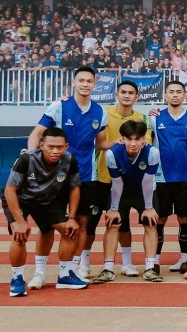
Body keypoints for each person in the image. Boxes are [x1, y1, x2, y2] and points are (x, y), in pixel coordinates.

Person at [27, 66, 109, 281]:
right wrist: (32, 158)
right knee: (47, 227)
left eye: (89, 81)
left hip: (85, 176)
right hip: (54, 177)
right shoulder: (59, 106)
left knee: (81, 224)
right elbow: (37, 133)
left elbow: (100, 143)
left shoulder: (101, 112)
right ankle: (40, 272)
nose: (85, 84)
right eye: (81, 80)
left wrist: (120, 143)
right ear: (73, 82)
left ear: (94, 85)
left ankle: (72, 269)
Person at [4, 127, 87, 296]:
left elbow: (74, 188)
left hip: (47, 200)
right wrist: (19, 221)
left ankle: (64, 275)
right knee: (20, 234)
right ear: (41, 145)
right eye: (51, 147)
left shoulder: (70, 160)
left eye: (59, 147)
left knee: (70, 229)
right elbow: (9, 190)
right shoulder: (27, 159)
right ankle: (17, 279)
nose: (55, 151)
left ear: (66, 146)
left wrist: (71, 217)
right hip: (20, 199)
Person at [93, 121, 161, 283]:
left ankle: (150, 268)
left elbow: (147, 181)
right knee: (113, 223)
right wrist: (114, 209)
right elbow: (116, 182)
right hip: (121, 190)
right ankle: (108, 269)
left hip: (144, 190)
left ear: (143, 139)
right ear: (121, 139)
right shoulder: (112, 153)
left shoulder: (152, 152)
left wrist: (149, 207)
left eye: (137, 139)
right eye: (128, 139)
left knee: (150, 223)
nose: (133, 143)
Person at [151, 81, 187, 275]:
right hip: (161, 178)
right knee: (160, 219)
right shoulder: (154, 118)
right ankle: (155, 261)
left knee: (185, 219)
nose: (175, 95)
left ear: (184, 96)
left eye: (179, 92)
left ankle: (185, 260)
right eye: (171, 92)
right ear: (165, 95)